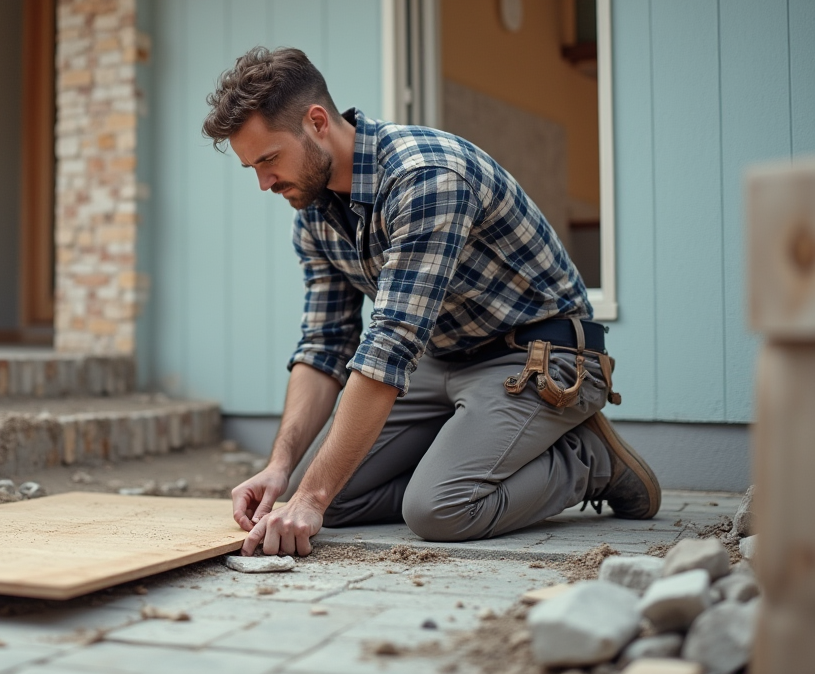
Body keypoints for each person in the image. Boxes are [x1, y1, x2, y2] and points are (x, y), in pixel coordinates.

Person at [202, 46, 660, 558]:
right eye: (253, 168)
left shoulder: (426, 176)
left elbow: (390, 345)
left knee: (438, 509)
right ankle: (462, 449)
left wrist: (311, 496)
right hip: (441, 360)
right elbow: (325, 346)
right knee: (332, 497)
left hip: (538, 355)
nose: (265, 183)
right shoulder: (312, 212)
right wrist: (283, 469)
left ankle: (587, 459)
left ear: (316, 122)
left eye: (269, 160)